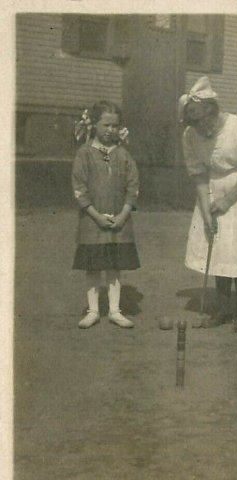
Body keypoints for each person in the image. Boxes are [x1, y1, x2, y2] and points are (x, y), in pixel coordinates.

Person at [180, 76, 237, 333]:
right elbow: (198, 174)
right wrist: (206, 208)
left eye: (201, 121)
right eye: (193, 123)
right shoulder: (190, 135)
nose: (199, 128)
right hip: (212, 188)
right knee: (219, 250)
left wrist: (228, 200)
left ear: (212, 110)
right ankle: (223, 309)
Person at [71, 101, 140, 329]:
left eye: (115, 125)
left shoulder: (124, 155)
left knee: (114, 266)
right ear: (94, 124)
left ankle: (114, 310)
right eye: (106, 124)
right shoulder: (84, 154)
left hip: (119, 221)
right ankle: (92, 310)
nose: (111, 130)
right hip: (93, 222)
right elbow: (79, 188)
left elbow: (133, 186)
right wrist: (96, 216)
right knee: (94, 266)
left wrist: (123, 215)